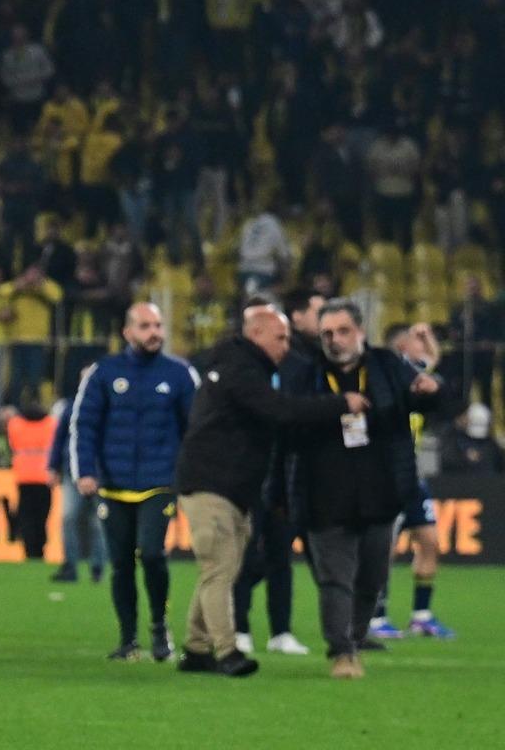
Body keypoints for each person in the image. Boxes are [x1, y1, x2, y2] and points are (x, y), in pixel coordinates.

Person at [176, 307, 364, 677]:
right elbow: (280, 410)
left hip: (230, 487)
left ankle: (197, 649)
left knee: (219, 569)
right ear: (257, 334)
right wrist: (340, 404)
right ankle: (227, 651)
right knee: (220, 569)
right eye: (280, 338)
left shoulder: (241, 366)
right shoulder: (241, 370)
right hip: (211, 484)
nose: (286, 346)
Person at [282, 299, 440, 678]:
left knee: (371, 580)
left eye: (343, 331)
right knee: (335, 580)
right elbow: (290, 416)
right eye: (327, 334)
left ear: (360, 332)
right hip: (324, 496)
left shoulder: (387, 365)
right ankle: (341, 651)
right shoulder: (306, 373)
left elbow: (424, 399)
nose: (334, 340)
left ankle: (353, 638)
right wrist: (338, 405)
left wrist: (431, 391)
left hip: (380, 495)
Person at [71, 303, 197, 662]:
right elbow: (85, 424)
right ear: (127, 332)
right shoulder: (105, 372)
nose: (154, 332)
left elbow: (196, 429)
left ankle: (159, 625)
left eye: (157, 325)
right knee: (121, 563)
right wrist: (84, 471)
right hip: (113, 484)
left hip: (160, 481)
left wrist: (191, 475)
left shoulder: (180, 374)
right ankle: (128, 639)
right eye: (145, 326)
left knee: (153, 554)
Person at [232, 288, 324, 657]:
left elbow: (306, 414)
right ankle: (239, 628)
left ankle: (281, 631)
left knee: (280, 554)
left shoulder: (298, 367)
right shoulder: (232, 366)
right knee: (243, 553)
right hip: (244, 472)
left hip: (284, 472)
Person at [369, 322, 456, 641]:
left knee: (430, 541)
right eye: (417, 342)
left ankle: (421, 616)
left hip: (413, 477)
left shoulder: (416, 375)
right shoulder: (384, 377)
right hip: (387, 475)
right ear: (402, 347)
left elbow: (434, 359)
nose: (424, 347)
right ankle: (375, 615)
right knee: (384, 548)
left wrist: (426, 336)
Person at [48, 381, 107, 584]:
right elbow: (59, 438)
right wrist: (53, 466)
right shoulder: (71, 407)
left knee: (98, 523)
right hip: (72, 472)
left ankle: (98, 566)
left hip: (102, 474)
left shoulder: (109, 405)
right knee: (69, 518)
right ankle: (70, 566)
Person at [6, 400, 58, 560]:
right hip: (44, 477)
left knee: (26, 516)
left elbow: (12, 444)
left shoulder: (15, 424)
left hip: (24, 477)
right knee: (42, 517)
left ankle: (29, 550)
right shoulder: (51, 424)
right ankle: (39, 549)